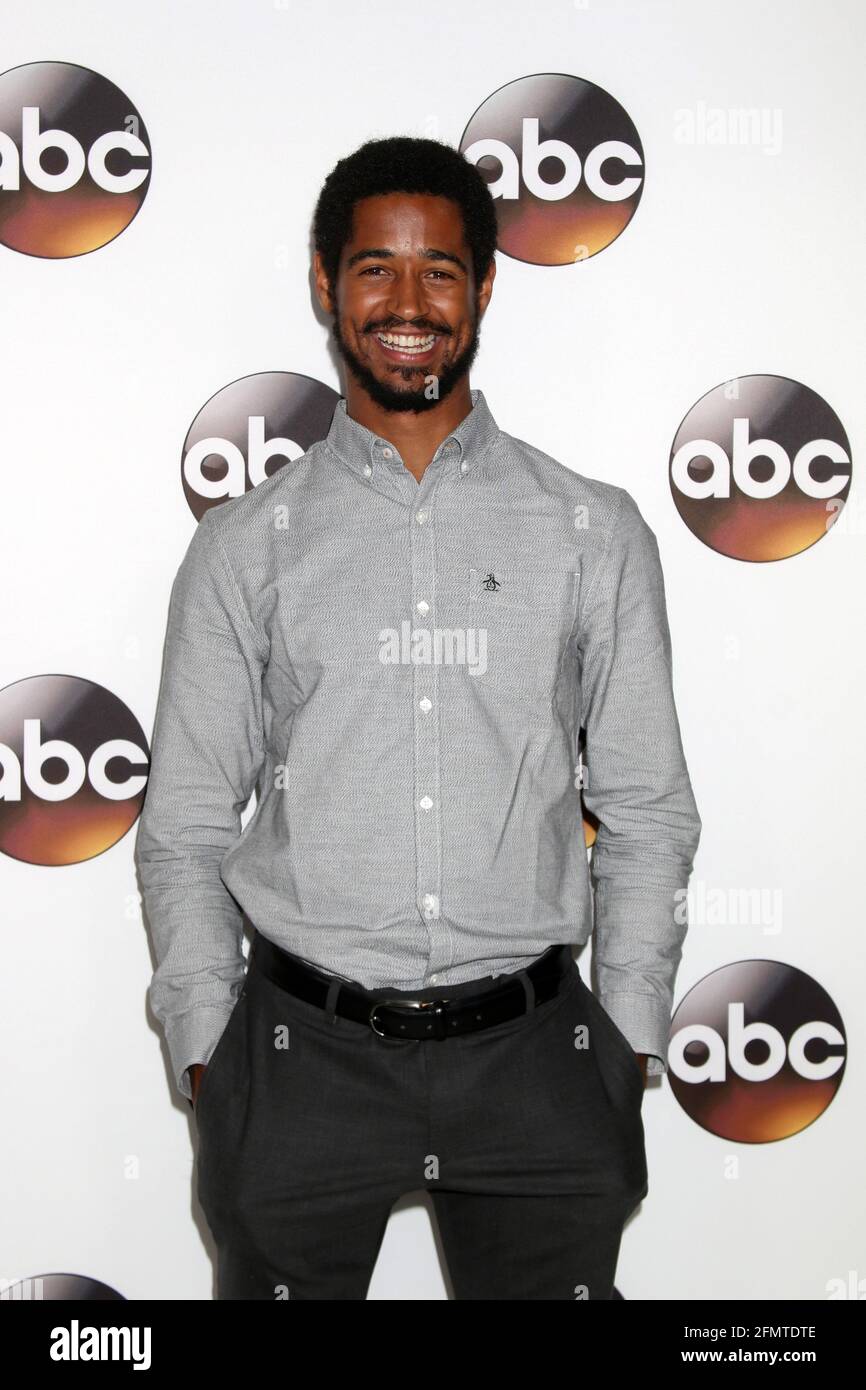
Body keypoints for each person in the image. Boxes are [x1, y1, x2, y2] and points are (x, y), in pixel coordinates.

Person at [135, 135, 702, 1300]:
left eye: (438, 270)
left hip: (538, 1060)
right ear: (324, 284)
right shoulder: (246, 545)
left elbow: (643, 806)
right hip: (300, 1063)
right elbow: (187, 822)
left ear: (484, 287)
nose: (407, 304)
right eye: (374, 270)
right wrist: (211, 1049)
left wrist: (627, 1035)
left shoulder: (590, 530)